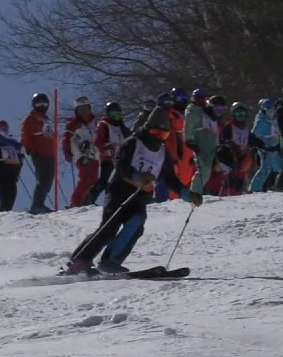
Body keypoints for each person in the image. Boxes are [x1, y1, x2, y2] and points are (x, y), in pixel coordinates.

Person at [65, 107, 202, 275]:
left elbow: (170, 178)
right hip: (119, 190)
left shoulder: (162, 152)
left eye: (164, 135)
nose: (158, 137)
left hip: (141, 195)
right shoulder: (133, 142)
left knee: (136, 223)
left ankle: (111, 260)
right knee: (109, 227)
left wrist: (188, 195)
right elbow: (120, 164)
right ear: (147, 128)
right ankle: (80, 260)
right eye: (155, 132)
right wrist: (137, 177)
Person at [21, 92, 58, 213]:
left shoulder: (46, 119)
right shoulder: (31, 118)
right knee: (43, 178)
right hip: (39, 151)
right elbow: (25, 133)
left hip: (50, 152)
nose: (42, 105)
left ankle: (40, 203)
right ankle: (36, 205)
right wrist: (29, 148)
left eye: (44, 103)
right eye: (39, 103)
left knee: (49, 179)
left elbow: (51, 135)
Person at [88, 102, 128, 205]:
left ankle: (115, 200)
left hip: (120, 159)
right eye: (114, 114)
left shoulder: (121, 126)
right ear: (109, 114)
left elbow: (129, 138)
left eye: (118, 114)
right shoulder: (104, 124)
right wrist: (108, 147)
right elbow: (98, 142)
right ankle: (88, 200)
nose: (116, 117)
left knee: (120, 181)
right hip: (108, 158)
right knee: (104, 180)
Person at [63, 97, 100, 208]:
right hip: (81, 153)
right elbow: (66, 138)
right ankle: (76, 203)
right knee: (85, 178)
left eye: (85, 108)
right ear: (77, 111)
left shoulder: (95, 122)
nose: (83, 112)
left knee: (94, 178)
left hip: (95, 154)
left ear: (89, 108)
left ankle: (87, 201)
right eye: (80, 109)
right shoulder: (73, 123)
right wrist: (67, 152)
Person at [0, 118, 24, 211]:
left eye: (3, 128)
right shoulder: (8, 140)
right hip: (5, 169)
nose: (2, 130)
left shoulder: (7, 140)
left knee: (7, 193)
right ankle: (3, 210)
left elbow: (19, 156)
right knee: (8, 193)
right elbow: (20, 155)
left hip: (4, 169)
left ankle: (3, 210)